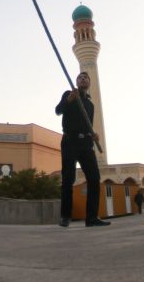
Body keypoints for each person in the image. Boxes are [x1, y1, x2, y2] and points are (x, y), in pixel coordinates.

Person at [55, 71, 109, 227]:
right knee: (68, 179)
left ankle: (91, 218)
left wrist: (93, 135)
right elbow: (58, 111)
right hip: (69, 141)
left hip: (86, 144)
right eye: (80, 77)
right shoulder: (69, 94)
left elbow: (88, 125)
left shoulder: (90, 104)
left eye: (86, 77)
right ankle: (65, 217)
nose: (83, 79)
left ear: (89, 83)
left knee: (94, 178)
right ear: (77, 82)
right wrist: (68, 101)